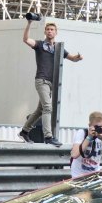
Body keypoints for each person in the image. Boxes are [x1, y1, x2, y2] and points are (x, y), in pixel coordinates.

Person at [19, 18, 82, 146]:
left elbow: (72, 58)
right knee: (48, 107)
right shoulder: (40, 45)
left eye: (52, 30)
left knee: (40, 110)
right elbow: (26, 40)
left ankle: (24, 131)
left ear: (56, 32)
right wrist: (29, 23)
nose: (49, 31)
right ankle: (48, 136)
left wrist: (79, 57)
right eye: (47, 30)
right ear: (45, 32)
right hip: (41, 80)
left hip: (52, 83)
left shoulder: (59, 48)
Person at [71, 111, 102, 178]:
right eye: (97, 127)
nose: (99, 129)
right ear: (89, 125)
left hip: (94, 174)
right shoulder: (82, 133)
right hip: (78, 175)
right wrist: (89, 137)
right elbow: (74, 155)